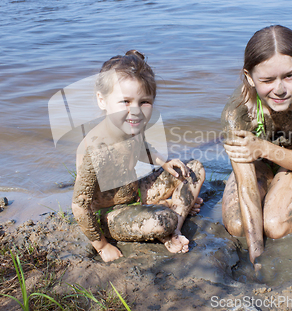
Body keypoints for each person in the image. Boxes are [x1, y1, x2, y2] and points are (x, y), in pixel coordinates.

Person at [72, 50, 205, 262]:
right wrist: (101, 246)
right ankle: (169, 216)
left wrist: (164, 162)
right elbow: (80, 205)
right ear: (102, 100)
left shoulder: (130, 127)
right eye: (125, 101)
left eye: (144, 102)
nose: (135, 110)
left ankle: (175, 229)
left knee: (193, 169)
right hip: (111, 213)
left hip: (136, 193)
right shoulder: (97, 149)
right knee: (162, 220)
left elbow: (143, 147)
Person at [221, 25, 292, 266]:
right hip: (258, 163)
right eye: (267, 80)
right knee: (238, 226)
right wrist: (257, 259)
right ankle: (273, 185)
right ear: (249, 77)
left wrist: (264, 148)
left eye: (289, 76)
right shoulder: (238, 111)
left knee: (275, 226)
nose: (280, 89)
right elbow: (246, 187)